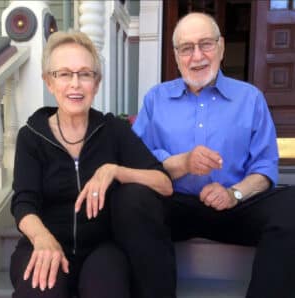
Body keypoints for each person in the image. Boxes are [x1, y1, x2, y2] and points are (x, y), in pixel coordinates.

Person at [111, 12, 295, 298]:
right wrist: (181, 163)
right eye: (187, 48)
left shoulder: (250, 98)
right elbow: (138, 161)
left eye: (206, 44)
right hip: (174, 206)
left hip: (235, 209)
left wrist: (233, 193)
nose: (197, 56)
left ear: (221, 47)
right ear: (175, 55)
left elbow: (265, 166)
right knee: (130, 199)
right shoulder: (156, 99)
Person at [10, 30, 173, 298]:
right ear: (49, 83)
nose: (75, 83)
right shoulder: (31, 136)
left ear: (96, 84)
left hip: (101, 249)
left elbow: (164, 183)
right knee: (40, 291)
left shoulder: (114, 130)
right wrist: (42, 239)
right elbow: (24, 202)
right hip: (43, 242)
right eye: (64, 74)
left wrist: (115, 170)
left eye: (85, 74)